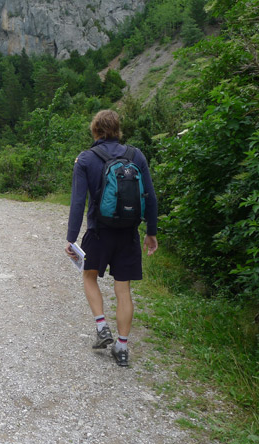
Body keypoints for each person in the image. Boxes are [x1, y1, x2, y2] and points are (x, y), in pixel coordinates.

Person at [65, 110, 158, 367]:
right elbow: (150, 195)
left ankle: (102, 326)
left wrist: (72, 238)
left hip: (98, 232)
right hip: (128, 234)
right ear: (118, 130)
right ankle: (123, 347)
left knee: (89, 276)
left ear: (95, 130)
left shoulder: (85, 159)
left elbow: (77, 202)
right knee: (123, 288)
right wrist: (151, 232)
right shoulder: (135, 155)